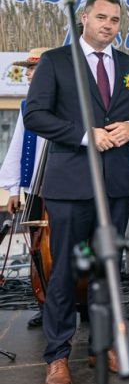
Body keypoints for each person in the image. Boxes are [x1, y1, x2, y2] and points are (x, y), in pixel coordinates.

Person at [23, 0, 129, 384]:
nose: (108, 25)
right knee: (64, 271)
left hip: (115, 186)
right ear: (84, 18)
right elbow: (34, 115)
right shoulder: (55, 61)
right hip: (71, 186)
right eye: (101, 17)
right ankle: (58, 355)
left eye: (115, 19)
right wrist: (85, 136)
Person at [0, 47, 51, 328]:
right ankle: (44, 302)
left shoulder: (64, 104)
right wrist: (13, 190)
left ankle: (81, 300)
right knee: (36, 248)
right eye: (29, 69)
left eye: (34, 69)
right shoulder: (26, 106)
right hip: (34, 188)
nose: (29, 74)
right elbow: (17, 147)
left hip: (62, 188)